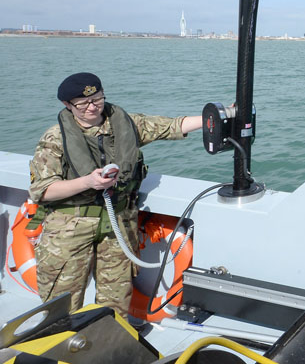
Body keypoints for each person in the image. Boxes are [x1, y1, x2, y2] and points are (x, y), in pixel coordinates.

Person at [28, 72, 202, 318]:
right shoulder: (55, 138)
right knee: (61, 304)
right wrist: (88, 181)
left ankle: (110, 345)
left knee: (116, 300)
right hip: (69, 228)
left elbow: (172, 126)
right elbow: (42, 190)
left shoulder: (127, 124)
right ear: (67, 105)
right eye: (83, 104)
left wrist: (216, 117)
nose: (92, 107)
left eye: (97, 99)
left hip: (118, 224)